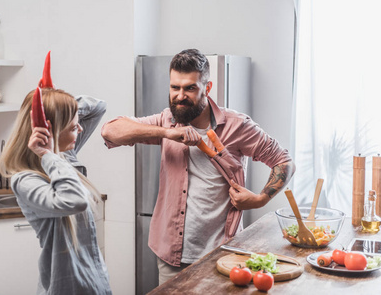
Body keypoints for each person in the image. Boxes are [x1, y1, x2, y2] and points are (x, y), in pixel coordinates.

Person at [101, 48, 295, 284]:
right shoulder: (166, 121)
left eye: (190, 88)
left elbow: (283, 161)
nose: (180, 95)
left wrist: (260, 199)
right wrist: (167, 133)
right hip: (170, 256)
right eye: (175, 87)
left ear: (207, 88)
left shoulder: (237, 126)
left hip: (222, 256)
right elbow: (109, 131)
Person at [0, 88, 112, 295]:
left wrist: (49, 101)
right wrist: (47, 153)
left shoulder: (64, 156)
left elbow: (98, 107)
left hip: (95, 284)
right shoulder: (25, 180)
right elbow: (74, 201)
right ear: (52, 131)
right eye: (72, 126)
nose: (79, 129)